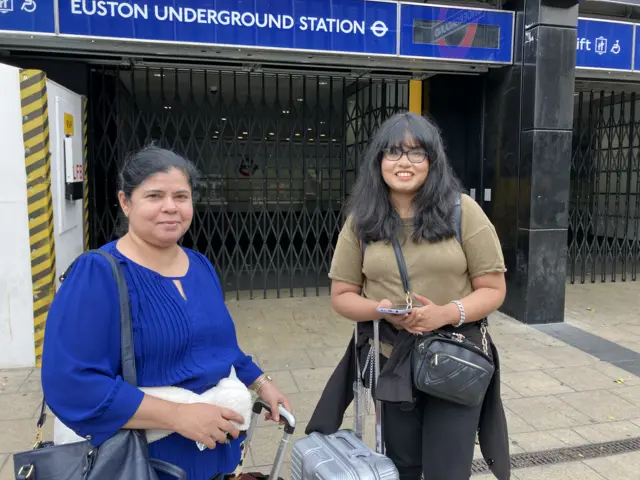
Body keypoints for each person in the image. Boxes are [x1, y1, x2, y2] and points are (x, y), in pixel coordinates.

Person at [41, 146, 291, 480]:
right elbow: (71, 383)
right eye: (155, 195)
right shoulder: (97, 274)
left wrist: (261, 383)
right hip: (141, 464)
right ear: (125, 202)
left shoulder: (200, 266)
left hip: (218, 455)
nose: (170, 207)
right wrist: (178, 416)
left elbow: (220, 346)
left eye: (181, 196)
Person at [305, 112, 510, 480]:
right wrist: (381, 310)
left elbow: (494, 289)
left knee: (449, 470)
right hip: (391, 362)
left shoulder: (464, 212)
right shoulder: (362, 221)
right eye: (393, 152)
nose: (404, 162)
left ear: (433, 161)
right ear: (378, 161)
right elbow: (342, 295)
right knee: (401, 468)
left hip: (455, 361)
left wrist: (446, 313)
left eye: (417, 153)